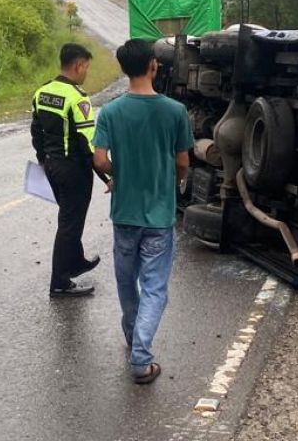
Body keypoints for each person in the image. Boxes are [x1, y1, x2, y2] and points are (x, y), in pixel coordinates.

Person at [92, 38, 193, 385]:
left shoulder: (110, 112)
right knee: (154, 287)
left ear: (123, 68)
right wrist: (174, 182)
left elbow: (100, 160)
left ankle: (133, 335)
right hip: (159, 216)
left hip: (124, 215)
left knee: (126, 282)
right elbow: (183, 162)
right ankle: (140, 356)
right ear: (153, 65)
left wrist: (117, 175)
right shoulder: (175, 111)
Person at [31, 43, 111, 297]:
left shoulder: (41, 92)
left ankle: (76, 262)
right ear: (78, 65)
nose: (86, 72)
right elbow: (87, 146)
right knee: (69, 224)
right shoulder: (78, 98)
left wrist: (43, 160)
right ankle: (60, 282)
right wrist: (107, 176)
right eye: (86, 67)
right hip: (73, 170)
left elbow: (36, 132)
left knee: (70, 218)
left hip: (53, 166)